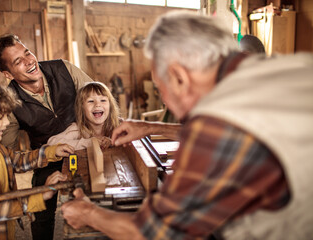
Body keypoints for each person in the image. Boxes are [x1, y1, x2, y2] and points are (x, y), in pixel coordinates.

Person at [61, 10, 313, 239]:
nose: (166, 100)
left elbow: (153, 234)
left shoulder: (217, 123)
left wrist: (88, 214)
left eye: (161, 90)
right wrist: (151, 128)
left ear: (180, 77)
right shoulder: (291, 68)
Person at [0, 34, 93, 240]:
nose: (29, 61)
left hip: (84, 145)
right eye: (18, 61)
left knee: (95, 201)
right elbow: (7, 152)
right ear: (8, 74)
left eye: (27, 53)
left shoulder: (63, 68)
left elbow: (98, 98)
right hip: (47, 156)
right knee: (41, 213)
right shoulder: (10, 100)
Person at [0, 78, 75, 240]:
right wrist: (39, 196)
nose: (6, 123)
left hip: (2, 229)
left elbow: (17, 161)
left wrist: (51, 152)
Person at [47, 82, 120, 150]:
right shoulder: (78, 128)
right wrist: (88, 143)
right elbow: (51, 142)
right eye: (91, 101)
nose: (98, 104)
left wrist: (111, 142)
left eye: (103, 100)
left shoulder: (117, 125)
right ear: (82, 107)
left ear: (110, 105)